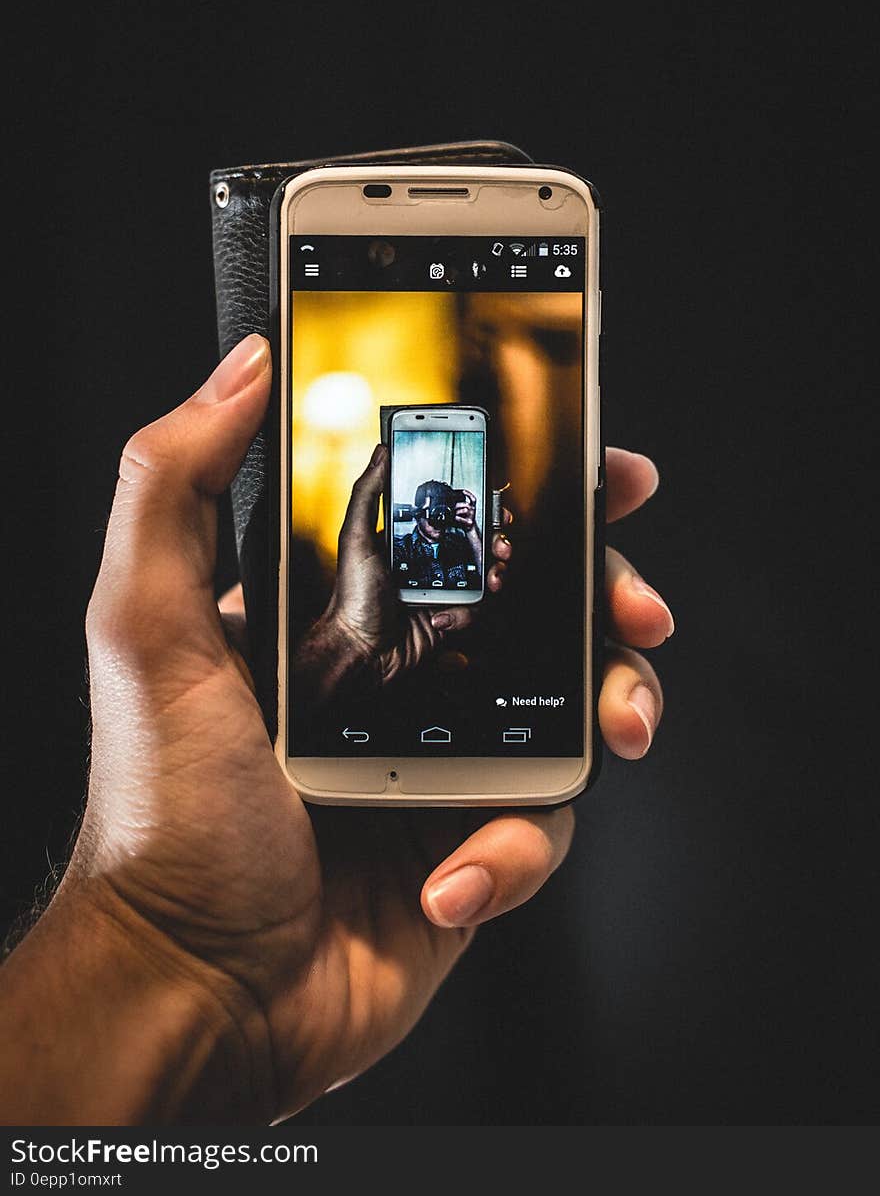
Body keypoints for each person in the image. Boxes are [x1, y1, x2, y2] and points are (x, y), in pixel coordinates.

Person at [0, 335, 674, 1124]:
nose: (446, 509)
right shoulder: (410, 538)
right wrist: (166, 949)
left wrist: (169, 968)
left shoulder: (469, 531)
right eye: (437, 502)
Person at [393, 479, 482, 588]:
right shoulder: (400, 548)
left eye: (443, 511)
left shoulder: (462, 545)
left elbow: (484, 577)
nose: (440, 518)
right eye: (432, 511)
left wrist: (471, 529)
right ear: (417, 513)